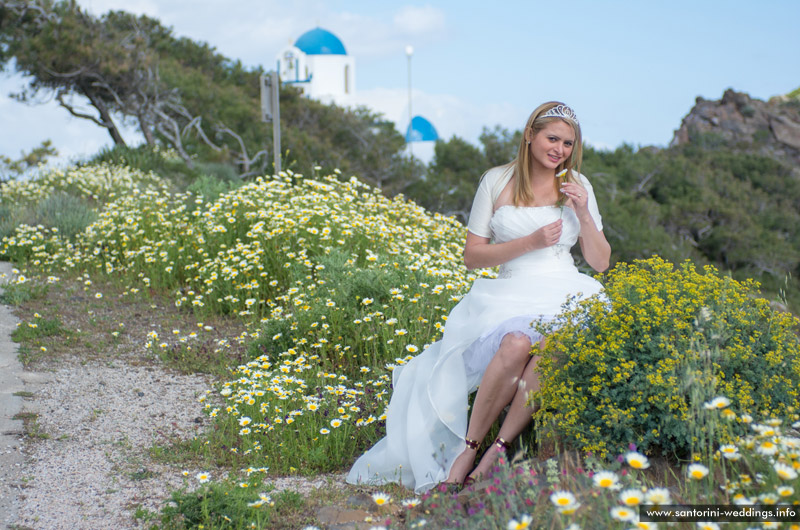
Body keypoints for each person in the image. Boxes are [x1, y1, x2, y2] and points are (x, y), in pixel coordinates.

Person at [346, 101, 611, 494]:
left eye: (568, 143)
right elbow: (473, 256)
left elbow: (600, 262)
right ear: (530, 135)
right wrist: (528, 242)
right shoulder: (496, 181)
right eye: (552, 138)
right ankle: (468, 449)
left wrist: (584, 213)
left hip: (565, 288)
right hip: (510, 291)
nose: (560, 150)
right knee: (516, 342)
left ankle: (496, 451)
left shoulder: (578, 185)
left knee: (554, 348)